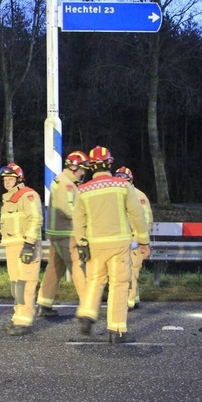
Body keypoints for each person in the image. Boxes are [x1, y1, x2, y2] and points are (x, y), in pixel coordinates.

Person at [72, 147, 150, 344]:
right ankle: (116, 331)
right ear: (109, 164)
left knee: (95, 281)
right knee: (119, 285)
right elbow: (137, 215)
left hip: (95, 245)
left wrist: (82, 242)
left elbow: (78, 220)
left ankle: (87, 313)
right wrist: (143, 241)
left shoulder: (83, 190)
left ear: (91, 166)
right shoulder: (123, 186)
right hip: (119, 244)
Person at [0, 163, 43, 336]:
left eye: (10, 179)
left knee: (26, 284)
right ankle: (18, 316)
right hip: (12, 247)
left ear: (18, 179)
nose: (7, 182)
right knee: (16, 286)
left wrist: (29, 244)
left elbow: (35, 219)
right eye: (5, 179)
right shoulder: (7, 199)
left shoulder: (27, 195)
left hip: (25, 247)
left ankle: (24, 321)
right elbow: (13, 222)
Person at [35, 151, 88, 318]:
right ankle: (88, 307)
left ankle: (44, 303)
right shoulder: (67, 185)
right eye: (82, 169)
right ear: (74, 167)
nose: (83, 173)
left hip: (57, 233)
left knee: (54, 269)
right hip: (67, 233)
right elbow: (69, 209)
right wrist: (86, 218)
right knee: (78, 268)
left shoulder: (62, 181)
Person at [115, 166, 152, 310]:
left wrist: (139, 240)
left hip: (135, 241)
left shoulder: (139, 197)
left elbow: (145, 221)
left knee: (131, 271)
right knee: (128, 271)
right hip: (123, 240)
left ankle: (129, 301)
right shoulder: (119, 195)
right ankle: (134, 299)